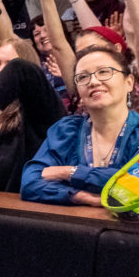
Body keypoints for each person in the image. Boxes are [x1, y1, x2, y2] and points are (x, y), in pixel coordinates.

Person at [21, 46, 139, 205]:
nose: (93, 81)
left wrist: (69, 172)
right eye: (83, 77)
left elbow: (134, 186)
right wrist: (82, 197)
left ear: (129, 82)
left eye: (104, 72)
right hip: (75, 226)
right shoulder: (66, 130)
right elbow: (30, 182)